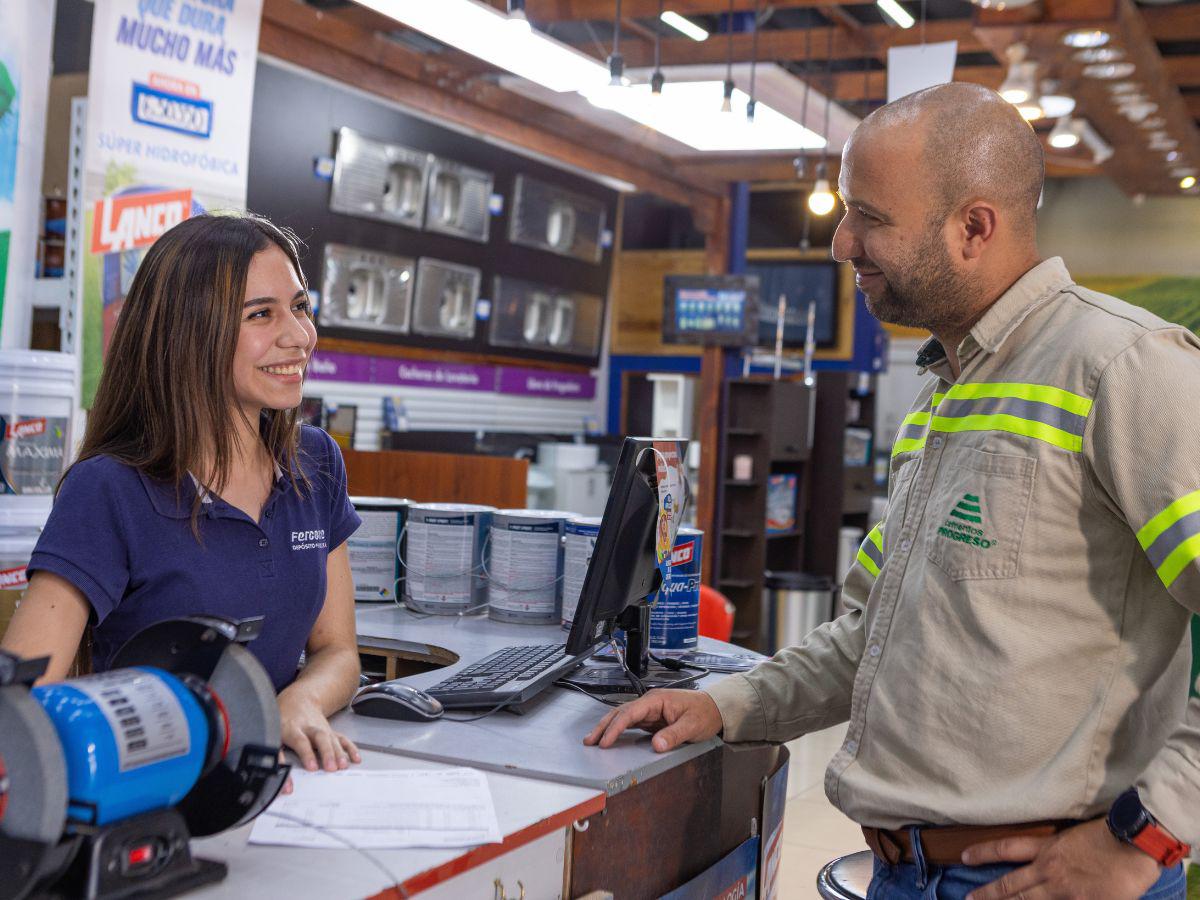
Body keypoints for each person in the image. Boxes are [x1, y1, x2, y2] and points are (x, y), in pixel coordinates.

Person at [585, 83, 1198, 900]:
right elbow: (877, 636)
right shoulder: (946, 391)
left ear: (974, 227)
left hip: (1045, 878)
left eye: (869, 215)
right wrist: (730, 703)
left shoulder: (1125, 368)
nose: (842, 244)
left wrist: (1150, 834)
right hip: (905, 871)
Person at [2, 213, 364, 776]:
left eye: (300, 305)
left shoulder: (315, 464)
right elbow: (20, 710)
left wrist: (300, 700)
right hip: (155, 792)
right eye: (262, 314)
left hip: (281, 783)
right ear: (189, 331)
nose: (299, 335)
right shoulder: (110, 489)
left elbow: (338, 651)